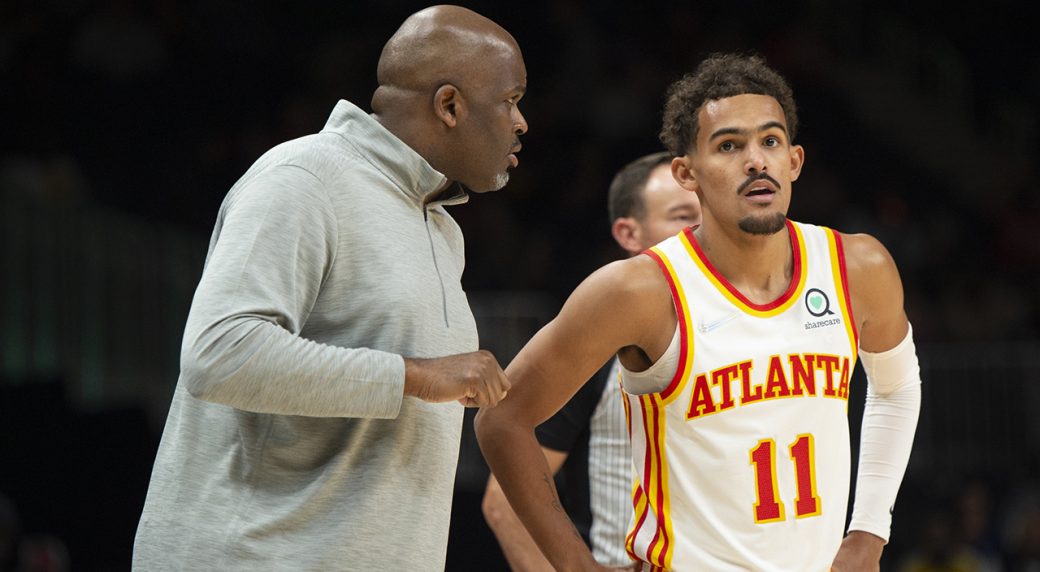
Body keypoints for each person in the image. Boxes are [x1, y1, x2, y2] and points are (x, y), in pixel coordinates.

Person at [476, 53, 921, 571]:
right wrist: (577, 567)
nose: (756, 160)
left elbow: (897, 388)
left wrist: (869, 532)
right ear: (687, 173)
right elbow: (502, 420)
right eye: (729, 145)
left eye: (770, 141)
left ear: (795, 161)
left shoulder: (857, 265)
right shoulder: (639, 291)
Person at [132, 6, 526, 571]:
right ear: (450, 105)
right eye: (512, 99)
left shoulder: (441, 228)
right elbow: (219, 353)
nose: (522, 122)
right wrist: (415, 375)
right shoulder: (304, 178)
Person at [481, 152, 702, 569]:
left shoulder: (752, 326)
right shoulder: (600, 339)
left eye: (705, 212)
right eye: (680, 215)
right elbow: (503, 503)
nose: (699, 228)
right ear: (628, 233)